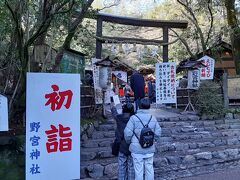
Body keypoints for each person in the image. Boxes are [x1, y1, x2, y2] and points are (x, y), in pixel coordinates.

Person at [124, 98, 161, 180]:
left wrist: (130, 142)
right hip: (149, 148)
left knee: (138, 171)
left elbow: (127, 133)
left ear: (139, 106)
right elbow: (158, 132)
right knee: (149, 169)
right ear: (149, 107)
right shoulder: (153, 118)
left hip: (137, 150)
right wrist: (154, 140)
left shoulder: (133, 118)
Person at [111, 103, 135, 180]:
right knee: (131, 166)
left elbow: (114, 113)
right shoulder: (134, 118)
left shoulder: (119, 117)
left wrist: (113, 106)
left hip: (121, 145)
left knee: (121, 166)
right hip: (132, 146)